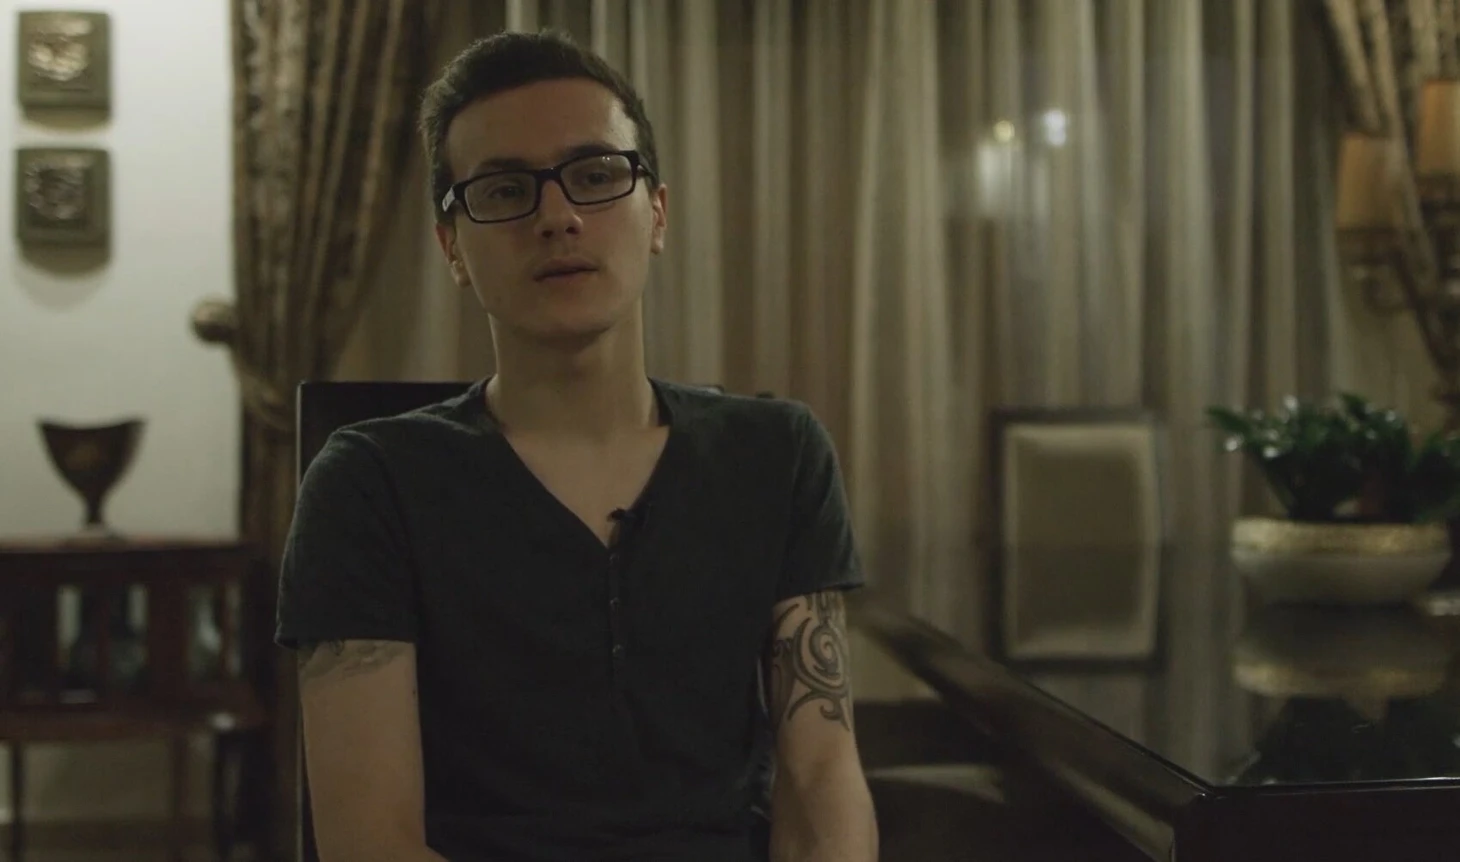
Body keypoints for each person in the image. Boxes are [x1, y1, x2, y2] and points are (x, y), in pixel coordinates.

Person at [276, 29, 877, 862]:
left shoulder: (778, 454)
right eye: (504, 190)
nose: (557, 218)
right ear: (453, 247)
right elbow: (371, 842)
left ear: (656, 213)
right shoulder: (370, 483)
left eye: (595, 176)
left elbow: (821, 783)